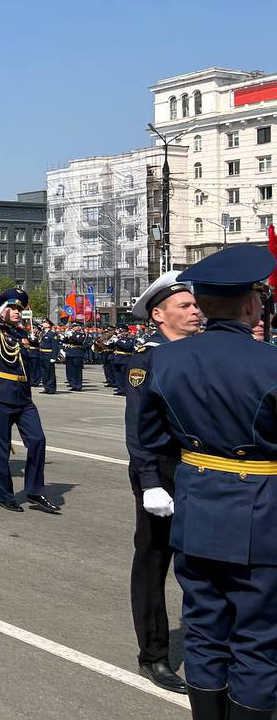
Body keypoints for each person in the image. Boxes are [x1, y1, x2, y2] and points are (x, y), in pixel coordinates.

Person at [138, 245, 277, 720]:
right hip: (261, 510)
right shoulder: (269, 362)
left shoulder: (166, 361)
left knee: (202, 627)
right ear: (249, 305)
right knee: (257, 637)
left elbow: (150, 438)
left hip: (195, 505)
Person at [123, 271, 200, 695]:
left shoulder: (201, 352)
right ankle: (153, 655)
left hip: (201, 469)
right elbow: (139, 428)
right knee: (153, 563)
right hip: (163, 472)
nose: (195, 311)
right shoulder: (147, 359)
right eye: (185, 306)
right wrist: (151, 481)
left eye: (195, 305)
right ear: (159, 314)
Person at [0, 289, 60, 514]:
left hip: (23, 396)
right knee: (1, 449)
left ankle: (34, 490)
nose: (18, 312)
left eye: (20, 308)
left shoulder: (20, 334)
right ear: (2, 310)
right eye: (12, 308)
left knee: (38, 440)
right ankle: (5, 495)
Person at [37, 319, 60, 394]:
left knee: (50, 372)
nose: (43, 324)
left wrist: (54, 357)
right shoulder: (41, 333)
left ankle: (51, 388)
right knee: (43, 372)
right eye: (43, 322)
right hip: (41, 354)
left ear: (49, 325)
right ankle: (46, 387)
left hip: (48, 354)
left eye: (44, 323)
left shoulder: (52, 334)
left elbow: (55, 346)